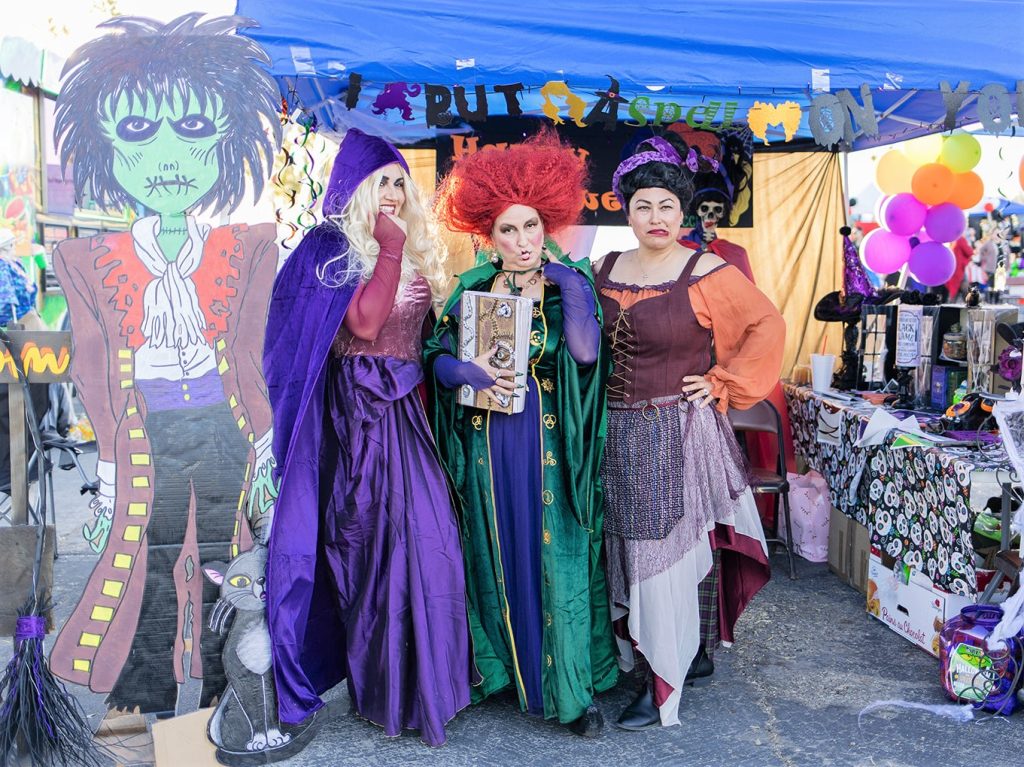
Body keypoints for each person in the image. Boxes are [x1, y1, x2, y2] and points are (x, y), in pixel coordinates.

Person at [49, 14, 281, 713]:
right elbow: (94, 377)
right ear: (104, 145)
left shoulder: (249, 248)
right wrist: (111, 475)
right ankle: (138, 700)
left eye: (195, 128)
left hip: (225, 427)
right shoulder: (87, 260)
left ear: (231, 137)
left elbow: (256, 353)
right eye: (140, 131)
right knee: (146, 563)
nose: (169, 155)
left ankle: (219, 696)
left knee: (227, 558)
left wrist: (269, 454)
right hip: (147, 428)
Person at [262, 128, 470, 746]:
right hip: (363, 416)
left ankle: (425, 684)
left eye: (400, 182)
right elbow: (367, 322)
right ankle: (382, 687)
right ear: (353, 188)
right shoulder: (333, 247)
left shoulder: (407, 248)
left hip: (409, 409)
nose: (392, 193)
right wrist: (387, 246)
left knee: (432, 543)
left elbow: (422, 336)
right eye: (380, 181)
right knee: (375, 550)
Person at [425, 131, 617, 737]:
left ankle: (569, 691)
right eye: (507, 230)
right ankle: (508, 672)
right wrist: (458, 367)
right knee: (498, 549)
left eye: (531, 226)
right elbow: (435, 353)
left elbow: (585, 354)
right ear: (488, 233)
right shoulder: (472, 287)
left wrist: (569, 287)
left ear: (548, 222)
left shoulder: (573, 279)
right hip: (488, 442)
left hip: (550, 445)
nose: (522, 240)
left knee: (555, 549)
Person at [594, 135, 785, 730]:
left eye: (667, 207)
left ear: (684, 214)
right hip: (613, 433)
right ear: (626, 210)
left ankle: (662, 684)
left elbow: (766, 324)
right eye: (644, 206)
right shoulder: (602, 268)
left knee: (661, 557)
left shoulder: (707, 270)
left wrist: (721, 381)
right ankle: (685, 650)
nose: (656, 218)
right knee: (625, 552)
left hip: (676, 432)